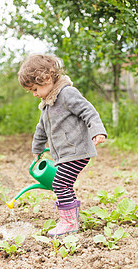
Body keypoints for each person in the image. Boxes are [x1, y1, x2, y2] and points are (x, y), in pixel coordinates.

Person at [18, 54, 107, 236]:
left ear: (47, 78)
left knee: (60, 184)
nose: (34, 94)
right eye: (31, 91)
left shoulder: (67, 94)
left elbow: (88, 111)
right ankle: (71, 218)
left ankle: (69, 222)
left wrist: (97, 130)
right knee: (63, 183)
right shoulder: (47, 104)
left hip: (77, 151)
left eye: (35, 89)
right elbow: (41, 129)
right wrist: (37, 149)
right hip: (65, 154)